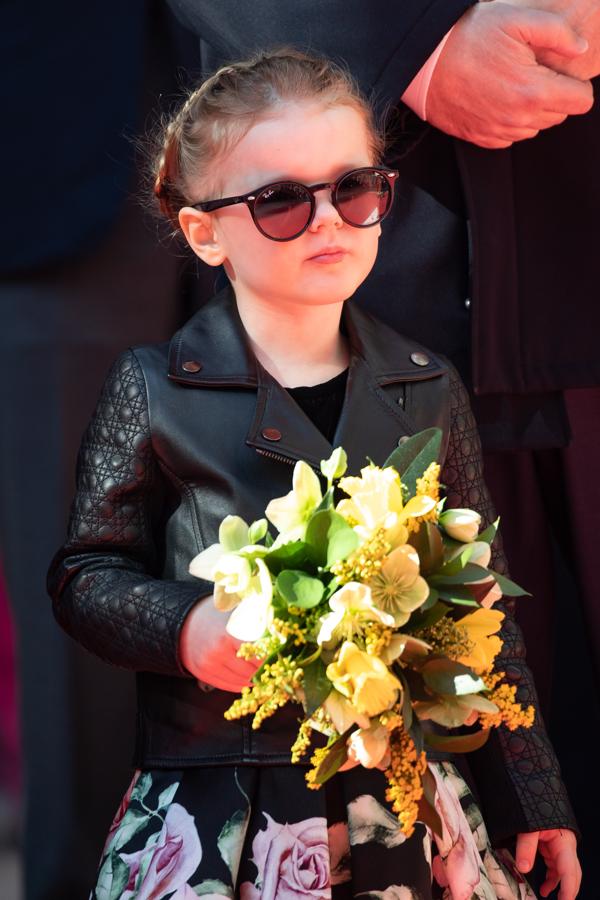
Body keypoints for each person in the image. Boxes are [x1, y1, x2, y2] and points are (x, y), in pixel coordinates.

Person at [48, 49, 580, 898]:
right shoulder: (153, 388)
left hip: (406, 810)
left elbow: (486, 611)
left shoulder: (428, 385)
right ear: (204, 232)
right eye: (281, 201)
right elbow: (84, 575)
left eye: (355, 189)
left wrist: (537, 799)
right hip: (220, 805)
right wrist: (189, 630)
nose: (329, 220)